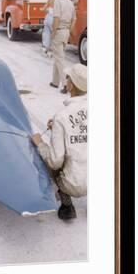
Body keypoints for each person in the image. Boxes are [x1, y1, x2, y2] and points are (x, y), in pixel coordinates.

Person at [32, 64, 87, 220]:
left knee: (47, 156)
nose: (66, 80)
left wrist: (40, 143)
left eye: (68, 77)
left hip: (74, 185)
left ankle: (66, 204)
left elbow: (55, 162)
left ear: (72, 85)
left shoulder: (62, 116)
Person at [49, 0, 76, 93]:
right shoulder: (70, 3)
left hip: (59, 31)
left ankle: (66, 85)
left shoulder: (57, 2)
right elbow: (74, 19)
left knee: (59, 58)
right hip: (66, 32)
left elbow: (56, 18)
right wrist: (69, 31)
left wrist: (53, 33)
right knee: (58, 55)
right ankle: (55, 82)